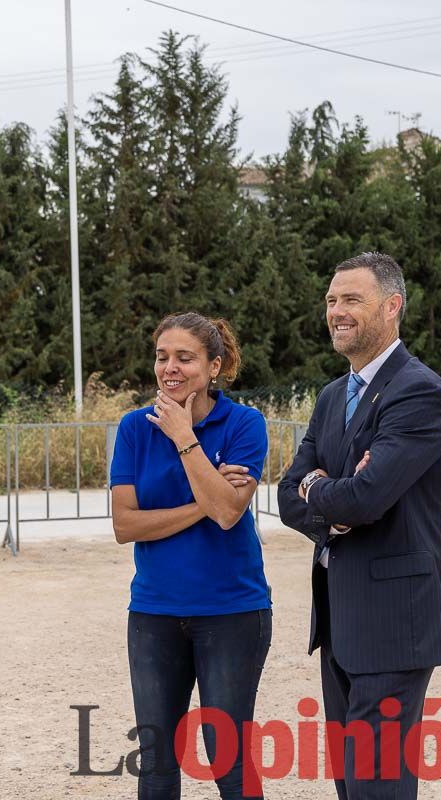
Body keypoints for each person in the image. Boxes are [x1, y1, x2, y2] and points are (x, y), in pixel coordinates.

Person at [277, 252, 441, 800]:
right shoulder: (333, 396)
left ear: (392, 306)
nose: (337, 311)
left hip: (392, 623)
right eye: (332, 300)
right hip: (339, 620)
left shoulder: (418, 393)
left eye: (351, 299)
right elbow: (289, 496)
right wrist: (322, 492)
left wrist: (326, 490)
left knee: (378, 786)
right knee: (351, 784)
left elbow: (362, 499)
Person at [110, 312, 272, 799]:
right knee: (157, 762)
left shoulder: (245, 423)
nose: (170, 368)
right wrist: (206, 498)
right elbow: (125, 525)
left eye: (185, 357)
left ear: (214, 366)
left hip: (232, 612)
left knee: (228, 759)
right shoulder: (135, 428)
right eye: (162, 357)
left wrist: (184, 436)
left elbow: (227, 515)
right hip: (154, 613)